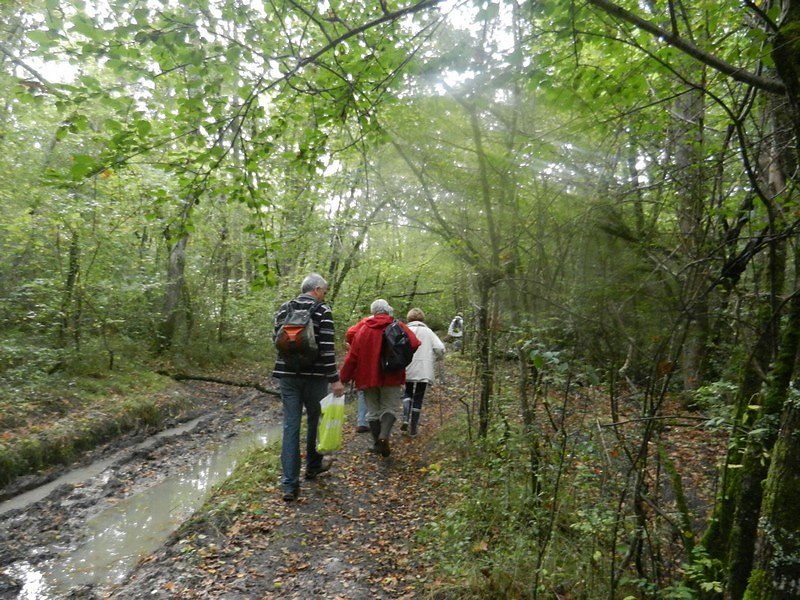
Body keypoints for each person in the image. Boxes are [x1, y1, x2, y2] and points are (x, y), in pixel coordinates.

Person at [273, 273, 344, 502]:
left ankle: (289, 486)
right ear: (316, 289)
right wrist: (334, 379)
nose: (324, 296)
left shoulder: (285, 308)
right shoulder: (323, 311)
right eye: (324, 291)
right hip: (314, 377)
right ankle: (312, 466)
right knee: (314, 419)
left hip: (287, 376)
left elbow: (276, 340)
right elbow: (327, 348)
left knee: (290, 426)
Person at [339, 299, 420, 457]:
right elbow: (415, 343)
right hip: (393, 374)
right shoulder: (398, 325)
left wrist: (344, 377)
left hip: (367, 376)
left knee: (373, 412)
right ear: (387, 310)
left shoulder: (363, 329)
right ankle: (384, 435)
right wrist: (401, 358)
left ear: (373, 311)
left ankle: (377, 443)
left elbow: (352, 357)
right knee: (389, 408)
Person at [402, 308, 445, 437]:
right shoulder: (428, 332)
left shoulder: (404, 330)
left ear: (409, 318)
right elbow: (440, 348)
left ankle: (405, 418)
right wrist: (439, 357)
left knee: (407, 392)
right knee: (418, 397)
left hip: (407, 366)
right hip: (424, 368)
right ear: (422, 318)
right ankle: (413, 428)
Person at [345, 316, 372, 433]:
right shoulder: (380, 326)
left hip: (360, 366)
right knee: (376, 392)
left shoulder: (359, 326)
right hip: (373, 364)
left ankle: (361, 421)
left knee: (362, 392)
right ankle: (374, 420)